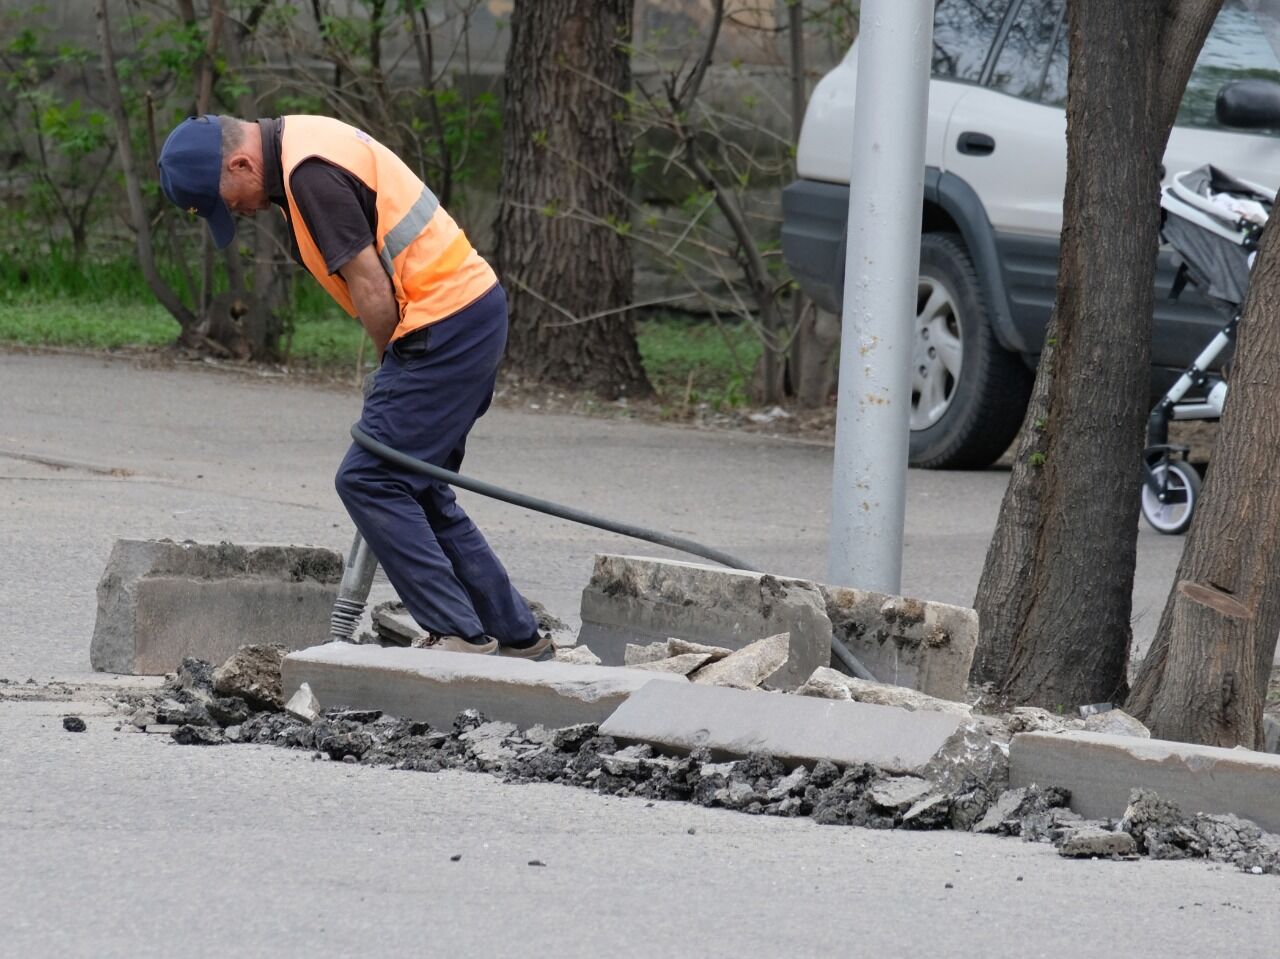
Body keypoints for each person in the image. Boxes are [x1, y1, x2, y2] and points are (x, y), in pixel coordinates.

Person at [156, 114, 549, 659]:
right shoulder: (303, 145)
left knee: (368, 479)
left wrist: (392, 369)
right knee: (415, 486)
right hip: (465, 314)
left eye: (230, 201)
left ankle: (458, 635)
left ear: (241, 163)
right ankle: (516, 637)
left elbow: (370, 284)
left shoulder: (308, 173)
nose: (241, 214)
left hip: (444, 322)